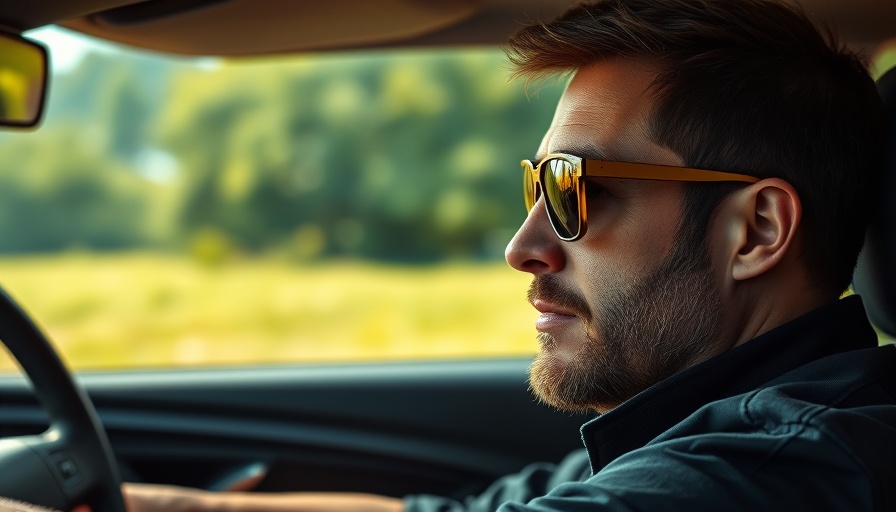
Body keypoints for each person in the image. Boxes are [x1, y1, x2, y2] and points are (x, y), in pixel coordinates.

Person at [119, 0, 896, 510]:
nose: (522, 248)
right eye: (536, 184)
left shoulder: (757, 477)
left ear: (756, 231)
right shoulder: (704, 423)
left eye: (574, 190)